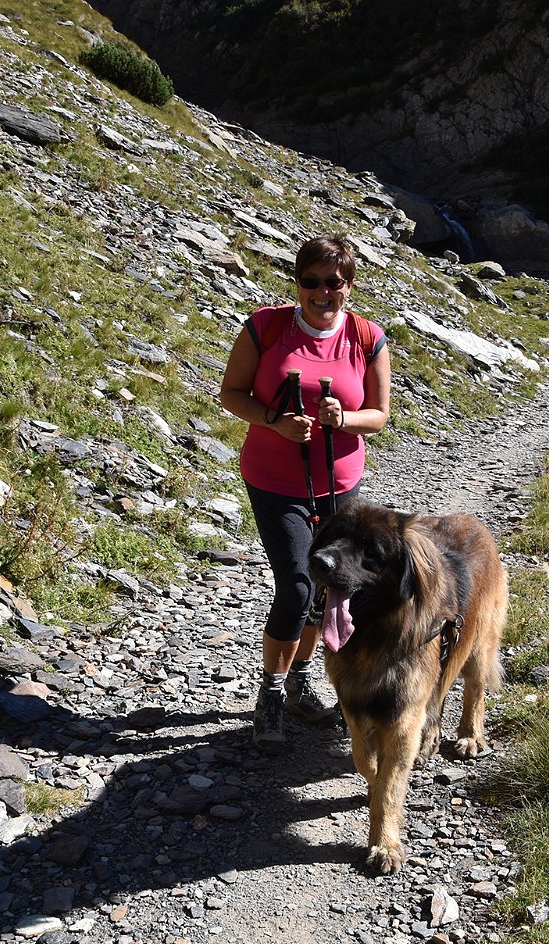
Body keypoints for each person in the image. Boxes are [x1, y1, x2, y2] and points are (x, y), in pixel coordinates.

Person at [219, 235, 392, 754]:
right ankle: (271, 695)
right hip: (274, 481)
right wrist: (274, 421)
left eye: (333, 283)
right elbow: (231, 394)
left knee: (331, 587)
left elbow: (380, 415)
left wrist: (346, 419)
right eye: (311, 281)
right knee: (296, 586)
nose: (321, 292)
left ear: (349, 285)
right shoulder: (266, 327)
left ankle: (298, 681)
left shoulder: (367, 337)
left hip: (341, 484)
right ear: (298, 283)